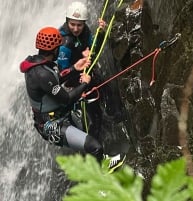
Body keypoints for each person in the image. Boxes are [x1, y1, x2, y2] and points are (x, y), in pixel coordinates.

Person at [20, 27, 125, 172]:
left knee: (89, 141)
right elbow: (67, 98)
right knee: (95, 147)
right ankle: (101, 182)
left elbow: (54, 81)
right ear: (53, 49)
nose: (60, 50)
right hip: (51, 125)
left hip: (59, 117)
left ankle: (96, 168)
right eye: (59, 47)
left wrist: (75, 68)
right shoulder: (41, 74)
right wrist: (85, 83)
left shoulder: (40, 65)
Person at [57, 1, 106, 141]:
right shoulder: (64, 43)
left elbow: (94, 48)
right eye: (72, 24)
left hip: (85, 74)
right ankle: (92, 148)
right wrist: (79, 85)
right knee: (92, 118)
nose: (76, 28)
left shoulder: (86, 32)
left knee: (98, 111)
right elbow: (63, 73)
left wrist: (101, 33)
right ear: (67, 22)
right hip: (74, 83)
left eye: (79, 24)